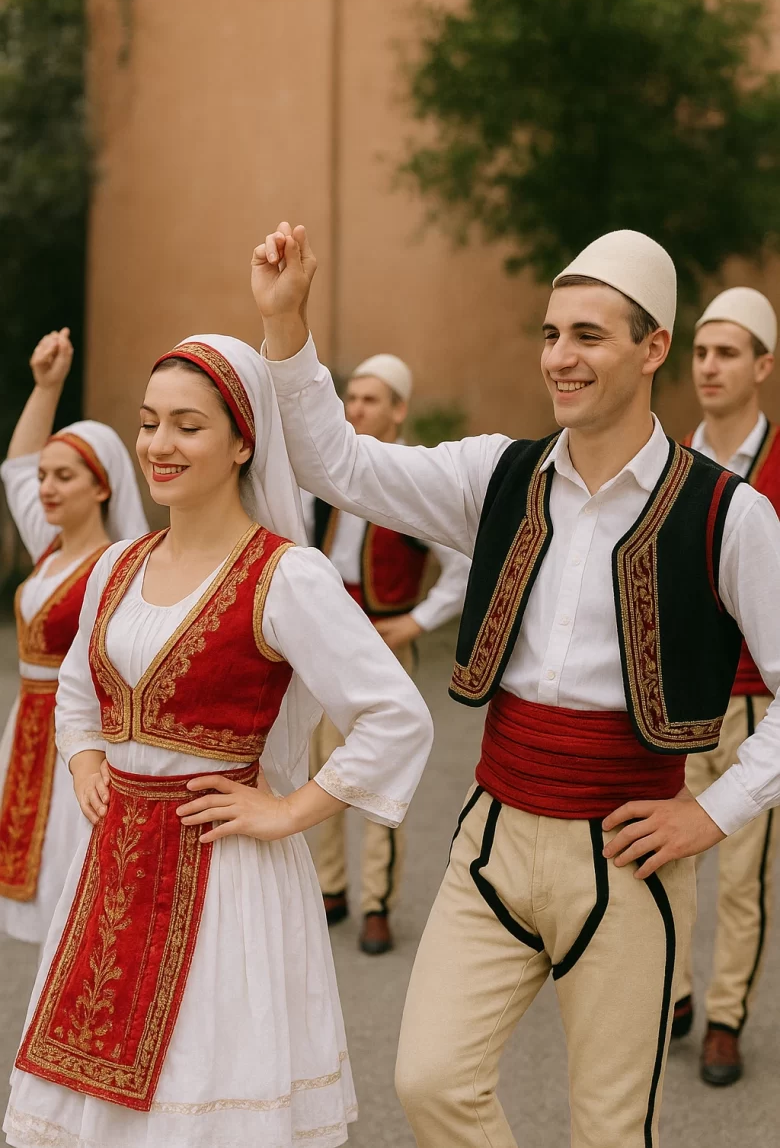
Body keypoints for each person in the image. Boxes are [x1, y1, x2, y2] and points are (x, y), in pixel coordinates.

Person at [251, 222, 780, 1148]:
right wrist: (289, 326)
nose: (560, 358)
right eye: (550, 334)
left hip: (628, 859)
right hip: (492, 836)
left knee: (611, 1132)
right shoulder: (496, 473)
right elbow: (338, 461)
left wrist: (715, 812)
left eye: (588, 335)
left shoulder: (730, 513)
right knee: (428, 1082)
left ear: (654, 346)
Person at [4, 333, 433, 1148]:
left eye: (188, 426)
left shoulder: (285, 576)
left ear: (243, 441)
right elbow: (75, 688)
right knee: (95, 1108)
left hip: (224, 879)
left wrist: (292, 810)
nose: (160, 445)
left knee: (200, 1098)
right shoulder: (117, 566)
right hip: (112, 874)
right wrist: (86, 755)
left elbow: (393, 713)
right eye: (148, 422)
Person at [303, 352, 469, 954]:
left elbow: (462, 567)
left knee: (381, 774)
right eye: (352, 399)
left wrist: (414, 622)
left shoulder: (410, 485)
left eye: (371, 399)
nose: (356, 409)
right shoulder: (321, 482)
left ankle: (377, 900)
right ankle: (331, 887)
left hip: (379, 646)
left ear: (398, 411)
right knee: (322, 766)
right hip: (325, 645)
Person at [0, 328, 148, 944]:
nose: (47, 488)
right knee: (32, 882)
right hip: (25, 727)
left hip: (77, 739)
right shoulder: (51, 547)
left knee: (71, 888)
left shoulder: (119, 566)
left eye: (64, 476)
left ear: (102, 485)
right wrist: (48, 386)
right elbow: (15, 468)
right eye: (46, 477)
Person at [670, 287, 779, 1086]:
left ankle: (727, 1015)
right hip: (673, 702)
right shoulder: (669, 459)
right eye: (702, 352)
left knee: (741, 873)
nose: (709, 366)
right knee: (666, 858)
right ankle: (671, 989)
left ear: (763, 366)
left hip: (754, 699)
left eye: (728, 352)